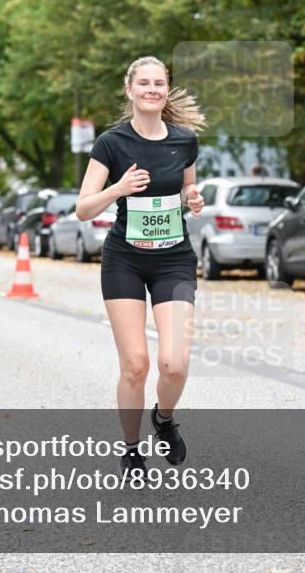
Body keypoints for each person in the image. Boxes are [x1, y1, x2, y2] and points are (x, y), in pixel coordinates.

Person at [76, 56, 205, 478]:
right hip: (125, 261)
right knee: (135, 364)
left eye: (160, 83)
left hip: (174, 260)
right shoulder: (111, 144)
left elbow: (187, 189)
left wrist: (193, 199)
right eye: (144, 83)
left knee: (175, 364)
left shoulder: (185, 141)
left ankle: (164, 419)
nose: (152, 89)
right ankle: (131, 451)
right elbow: (82, 209)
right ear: (129, 90)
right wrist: (118, 188)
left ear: (167, 90)